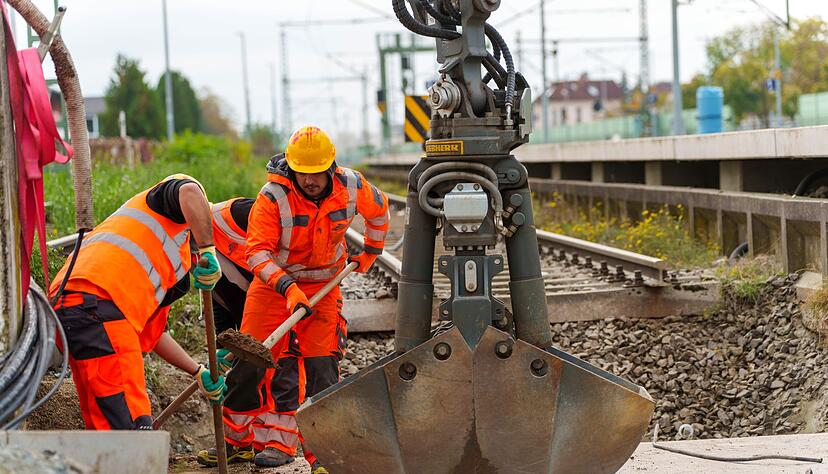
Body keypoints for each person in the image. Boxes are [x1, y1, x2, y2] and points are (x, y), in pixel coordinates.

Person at [212, 126, 390, 472]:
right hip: (274, 287)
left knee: (322, 369)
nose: (309, 181)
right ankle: (236, 442)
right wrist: (288, 290)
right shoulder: (273, 196)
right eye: (302, 174)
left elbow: (379, 211)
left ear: (331, 167)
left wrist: (372, 250)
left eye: (316, 174)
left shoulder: (352, 186)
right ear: (292, 169)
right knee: (249, 362)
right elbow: (257, 254)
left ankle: (323, 455)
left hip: (324, 287)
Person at [49, 175, 227, 430]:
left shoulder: (161, 265)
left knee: (106, 427)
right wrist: (209, 248)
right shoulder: (168, 212)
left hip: (71, 310)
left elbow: (153, 336)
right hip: (100, 307)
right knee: (131, 427)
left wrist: (197, 371)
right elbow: (189, 190)